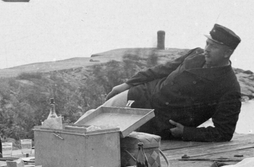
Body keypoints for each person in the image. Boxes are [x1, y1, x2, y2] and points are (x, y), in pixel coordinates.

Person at [103, 23, 242, 142]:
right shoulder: (196, 55)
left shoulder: (229, 87)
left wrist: (186, 132)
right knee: (95, 123)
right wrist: (128, 84)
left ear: (227, 53)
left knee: (110, 141)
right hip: (140, 95)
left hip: (157, 124)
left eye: (214, 47)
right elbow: (161, 70)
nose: (207, 50)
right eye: (207, 43)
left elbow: (224, 132)